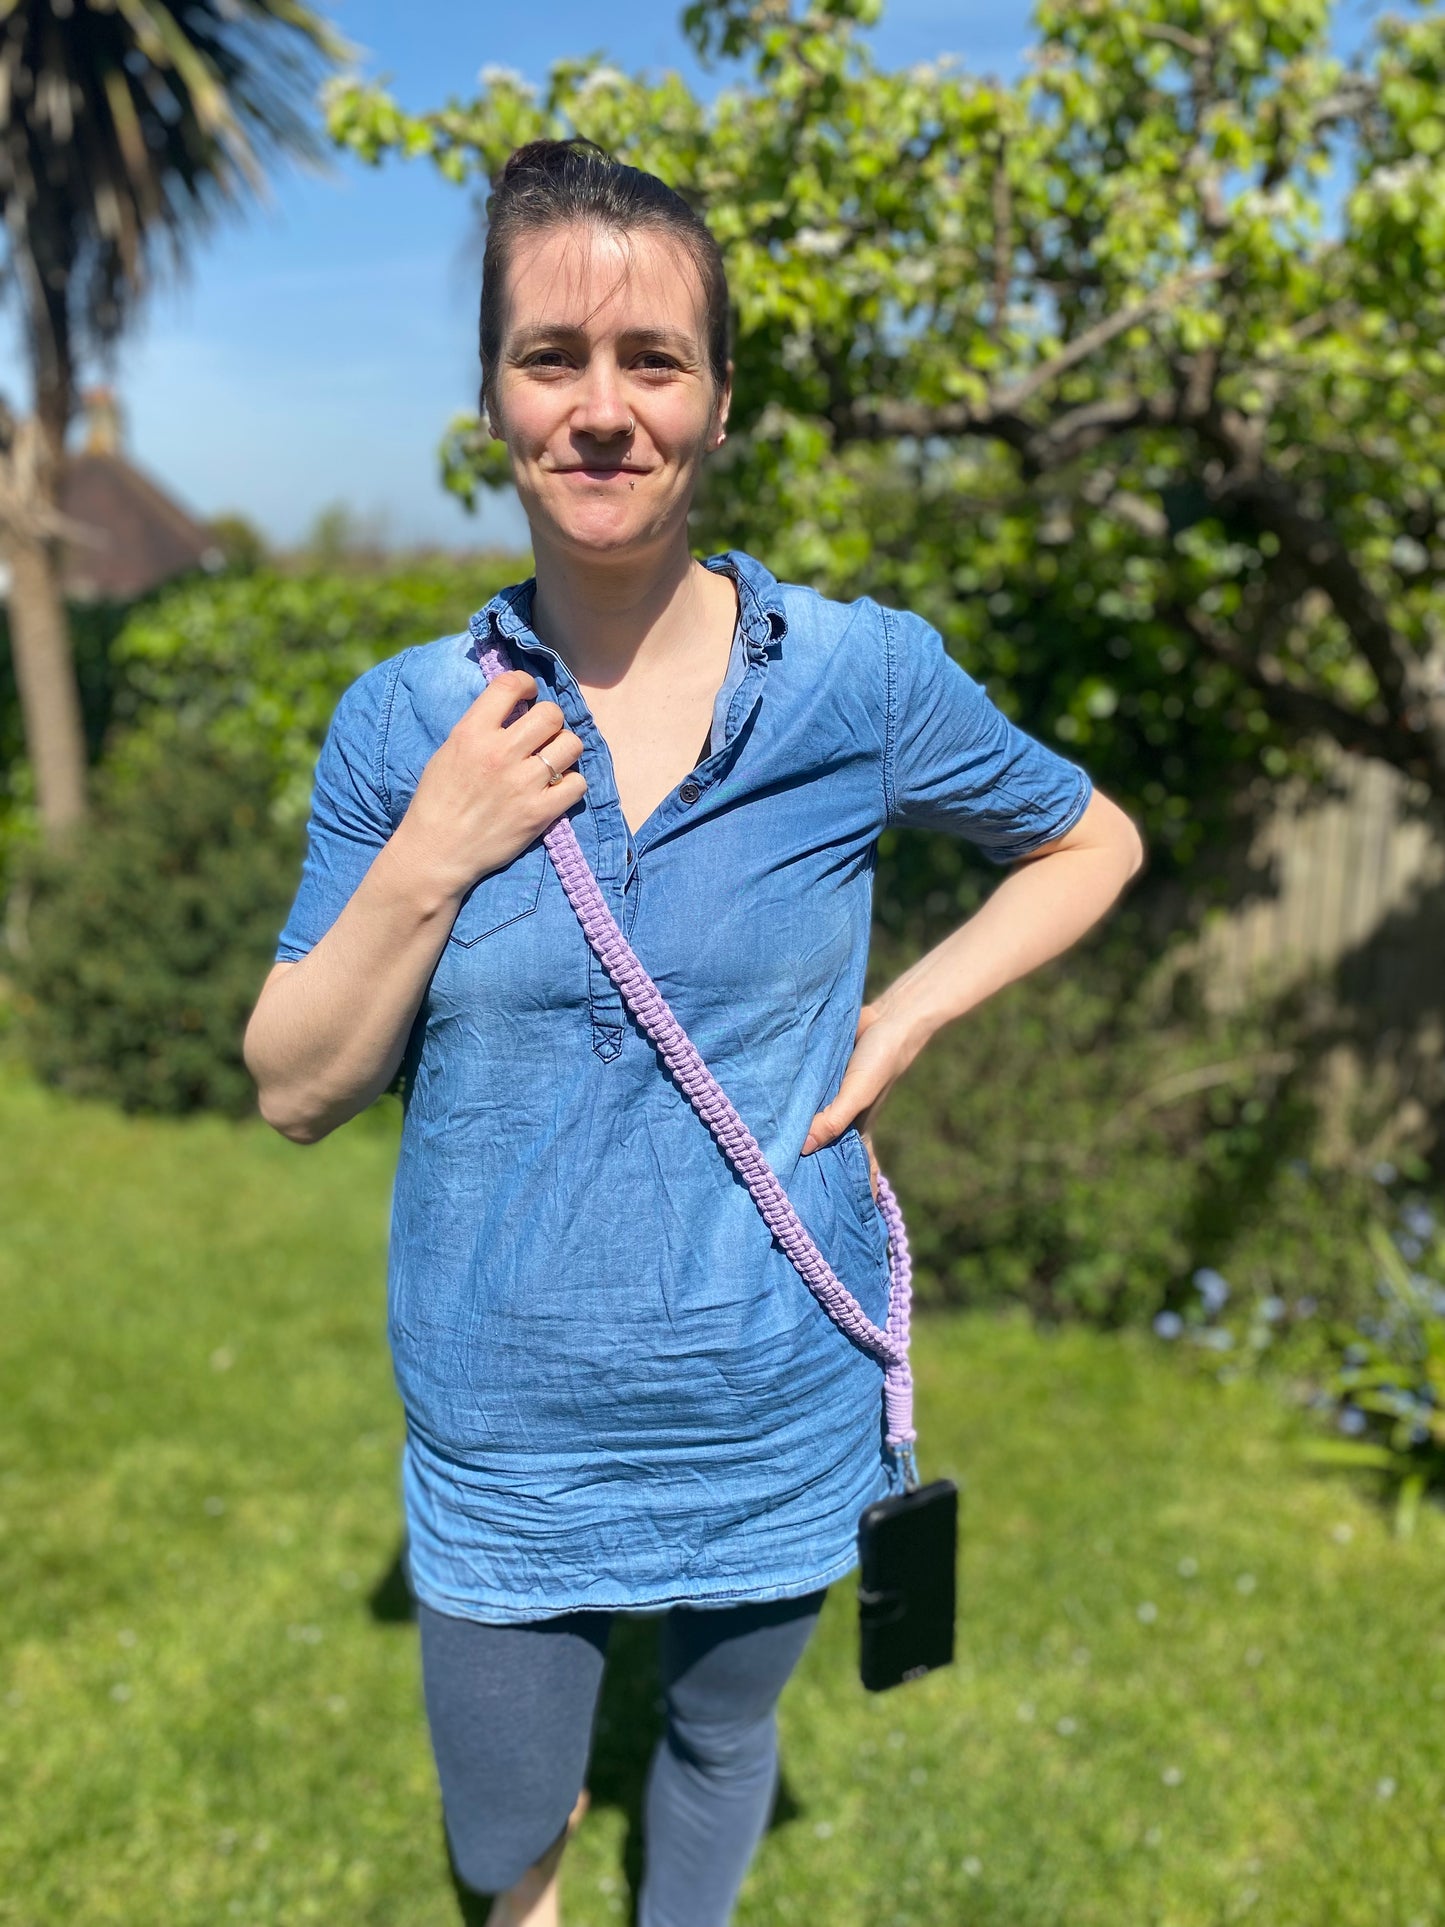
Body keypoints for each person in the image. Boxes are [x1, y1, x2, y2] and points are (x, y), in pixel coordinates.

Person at [243, 138, 1145, 1927]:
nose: (602, 409)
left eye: (651, 360)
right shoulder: (403, 725)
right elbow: (293, 1087)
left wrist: (903, 1013)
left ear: (718, 401)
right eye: (551, 357)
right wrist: (434, 848)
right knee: (505, 1837)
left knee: (723, 1745)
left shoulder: (856, 683)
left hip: (774, 1393)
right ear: (491, 399)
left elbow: (1090, 840)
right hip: (504, 1431)